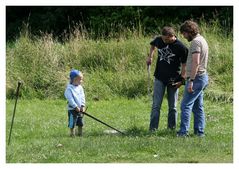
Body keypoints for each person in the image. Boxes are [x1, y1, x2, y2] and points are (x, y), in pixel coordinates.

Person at [146, 26, 188, 131]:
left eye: (166, 39)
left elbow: (184, 65)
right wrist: (150, 56)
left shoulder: (181, 47)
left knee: (173, 107)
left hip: (173, 79)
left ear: (172, 36)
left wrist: (182, 80)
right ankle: (153, 129)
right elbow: (153, 45)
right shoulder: (160, 39)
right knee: (156, 105)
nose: (164, 41)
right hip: (159, 77)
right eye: (163, 39)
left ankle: (171, 129)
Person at [177, 20, 209, 137]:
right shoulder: (202, 39)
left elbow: (196, 62)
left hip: (196, 78)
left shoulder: (195, 42)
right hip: (202, 77)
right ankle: (199, 132)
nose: (184, 37)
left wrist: (191, 81)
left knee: (185, 105)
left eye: (184, 34)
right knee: (197, 106)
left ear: (189, 31)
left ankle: (183, 133)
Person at [64, 69, 86, 137]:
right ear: (74, 79)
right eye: (80, 79)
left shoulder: (80, 87)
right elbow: (70, 99)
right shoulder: (69, 89)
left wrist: (82, 105)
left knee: (80, 122)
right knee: (72, 122)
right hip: (72, 109)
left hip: (80, 109)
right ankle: (72, 134)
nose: (81, 81)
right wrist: (75, 106)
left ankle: (80, 133)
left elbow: (82, 96)